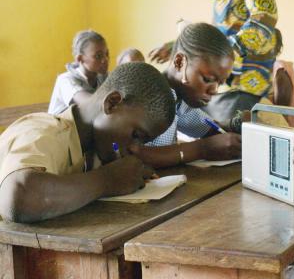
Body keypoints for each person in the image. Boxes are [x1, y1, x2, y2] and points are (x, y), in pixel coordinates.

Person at [0, 62, 175, 223]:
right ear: (112, 103)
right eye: (136, 135)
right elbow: (18, 197)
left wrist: (126, 175)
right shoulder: (44, 132)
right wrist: (108, 180)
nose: (135, 149)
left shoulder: (92, 148)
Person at [129, 23, 242, 168]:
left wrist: (237, 126)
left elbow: (211, 130)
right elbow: (129, 154)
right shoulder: (146, 93)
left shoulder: (178, 100)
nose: (213, 90)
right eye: (208, 80)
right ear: (180, 62)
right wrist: (202, 149)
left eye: (219, 83)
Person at [48, 30, 109, 115]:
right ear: (80, 59)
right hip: (60, 127)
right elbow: (89, 103)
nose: (105, 60)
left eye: (106, 54)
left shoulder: (103, 77)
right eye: (98, 56)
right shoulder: (65, 80)